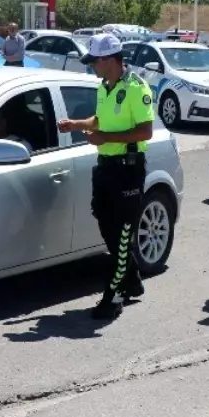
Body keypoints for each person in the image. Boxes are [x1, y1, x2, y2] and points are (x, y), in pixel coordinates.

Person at [57, 33, 155, 320]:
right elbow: (100, 120)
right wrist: (76, 124)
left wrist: (105, 137)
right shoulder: (104, 87)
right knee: (106, 224)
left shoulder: (136, 88)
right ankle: (132, 279)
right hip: (106, 167)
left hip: (128, 169)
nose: (91, 67)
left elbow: (145, 130)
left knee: (123, 233)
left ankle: (113, 297)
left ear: (110, 60)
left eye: (94, 62)